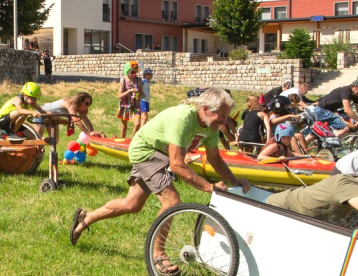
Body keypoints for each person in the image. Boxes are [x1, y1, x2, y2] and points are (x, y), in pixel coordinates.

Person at [70, 89, 253, 245]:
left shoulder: (210, 127)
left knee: (132, 204)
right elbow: (177, 164)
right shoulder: (182, 119)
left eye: (225, 116)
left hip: (161, 155)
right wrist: (209, 187)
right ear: (205, 110)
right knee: (172, 202)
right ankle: (158, 255)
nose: (224, 122)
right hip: (146, 151)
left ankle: (85, 218)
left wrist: (234, 180)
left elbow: (215, 158)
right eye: (221, 116)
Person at [116, 62, 141, 138]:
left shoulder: (138, 80)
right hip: (125, 106)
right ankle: (122, 141)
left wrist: (139, 94)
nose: (134, 74)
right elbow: (119, 96)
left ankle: (132, 141)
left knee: (137, 124)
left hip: (135, 106)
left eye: (135, 72)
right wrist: (129, 91)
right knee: (124, 127)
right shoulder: (123, 80)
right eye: (132, 72)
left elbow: (142, 94)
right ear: (127, 71)